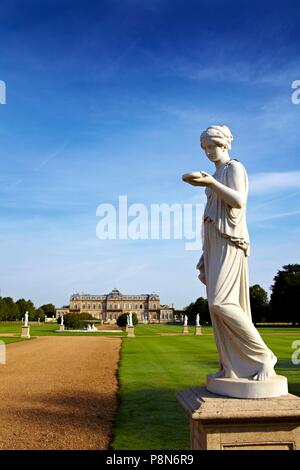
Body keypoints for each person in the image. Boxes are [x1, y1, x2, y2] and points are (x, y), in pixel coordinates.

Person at [182, 125, 276, 381]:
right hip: (214, 241)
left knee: (221, 302)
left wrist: (211, 182)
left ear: (223, 144)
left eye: (211, 146)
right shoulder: (214, 175)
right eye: (205, 148)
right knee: (216, 308)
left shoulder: (234, 168)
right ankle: (230, 366)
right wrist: (204, 251)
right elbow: (212, 215)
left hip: (230, 240)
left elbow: (238, 201)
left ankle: (264, 355)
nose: (208, 152)